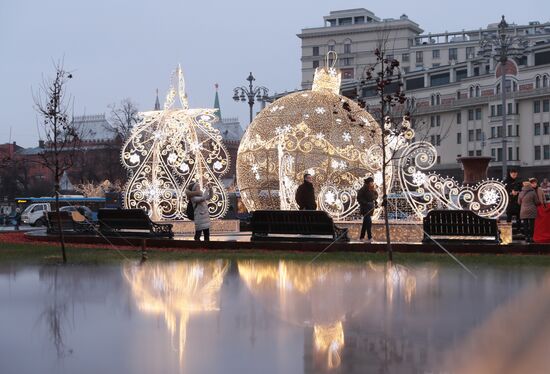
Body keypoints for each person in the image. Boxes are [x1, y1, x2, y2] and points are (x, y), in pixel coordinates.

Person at [357, 177, 378, 243]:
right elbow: (359, 198)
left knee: (365, 223)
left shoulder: (372, 189)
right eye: (371, 182)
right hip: (365, 208)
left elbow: (375, 196)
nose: (372, 183)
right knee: (368, 222)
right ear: (368, 183)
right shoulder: (363, 189)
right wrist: (365, 203)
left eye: (372, 182)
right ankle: (370, 237)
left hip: (370, 208)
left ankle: (361, 237)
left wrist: (375, 201)